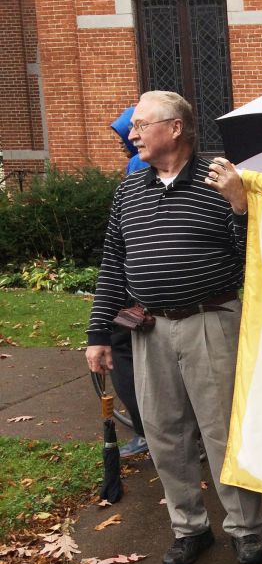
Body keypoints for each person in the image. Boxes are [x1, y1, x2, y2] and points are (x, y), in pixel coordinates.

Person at [86, 91, 262, 564]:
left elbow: (256, 259)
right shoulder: (130, 190)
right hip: (149, 330)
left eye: (142, 124)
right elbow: (113, 264)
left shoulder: (222, 180)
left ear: (175, 128)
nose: (133, 133)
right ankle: (190, 529)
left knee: (223, 432)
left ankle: (244, 529)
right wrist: (99, 334)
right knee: (164, 433)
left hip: (211, 322)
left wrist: (241, 208)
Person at [107, 106, 150, 458]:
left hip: (133, 284)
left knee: (122, 349)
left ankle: (143, 428)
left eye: (134, 131)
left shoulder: (137, 168)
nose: (128, 141)